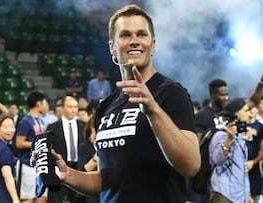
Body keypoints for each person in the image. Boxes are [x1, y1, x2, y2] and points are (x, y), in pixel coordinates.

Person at [33, 4, 200, 203]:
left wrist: (153, 111)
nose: (135, 41)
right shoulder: (107, 106)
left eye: (141, 35)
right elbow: (108, 180)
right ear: (112, 47)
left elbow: (191, 165)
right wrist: (67, 174)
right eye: (125, 35)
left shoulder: (170, 93)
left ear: (153, 45)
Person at [194, 73, 263, 139]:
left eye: (227, 94)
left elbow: (253, 101)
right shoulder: (201, 116)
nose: (226, 98)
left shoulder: (231, 107)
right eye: (222, 95)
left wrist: (262, 82)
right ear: (212, 95)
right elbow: (199, 144)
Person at [209, 98, 251, 203]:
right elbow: (216, 160)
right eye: (246, 111)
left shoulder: (240, 137)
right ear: (236, 114)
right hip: (223, 194)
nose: (249, 114)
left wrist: (247, 194)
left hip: (239, 196)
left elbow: (241, 169)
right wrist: (229, 139)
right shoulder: (221, 135)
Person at [46, 96, 86, 203]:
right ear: (62, 108)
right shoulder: (52, 127)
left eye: (75, 107)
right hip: (59, 169)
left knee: (79, 199)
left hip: (78, 169)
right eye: (70, 107)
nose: (73, 110)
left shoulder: (84, 126)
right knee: (55, 199)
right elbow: (48, 150)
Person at [15, 91, 48, 203]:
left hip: (41, 165)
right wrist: (38, 144)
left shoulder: (41, 120)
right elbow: (19, 143)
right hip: (28, 164)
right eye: (45, 103)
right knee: (29, 198)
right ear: (38, 104)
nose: (46, 106)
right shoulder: (25, 121)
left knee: (42, 197)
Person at [247, 106, 263, 203]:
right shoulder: (236, 126)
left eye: (252, 108)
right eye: (247, 108)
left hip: (254, 166)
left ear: (257, 109)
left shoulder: (261, 127)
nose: (251, 110)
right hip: (238, 166)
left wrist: (254, 162)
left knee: (257, 196)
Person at [78, 116, 99, 203]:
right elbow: (84, 169)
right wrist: (99, 152)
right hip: (91, 190)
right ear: (93, 128)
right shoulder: (84, 147)